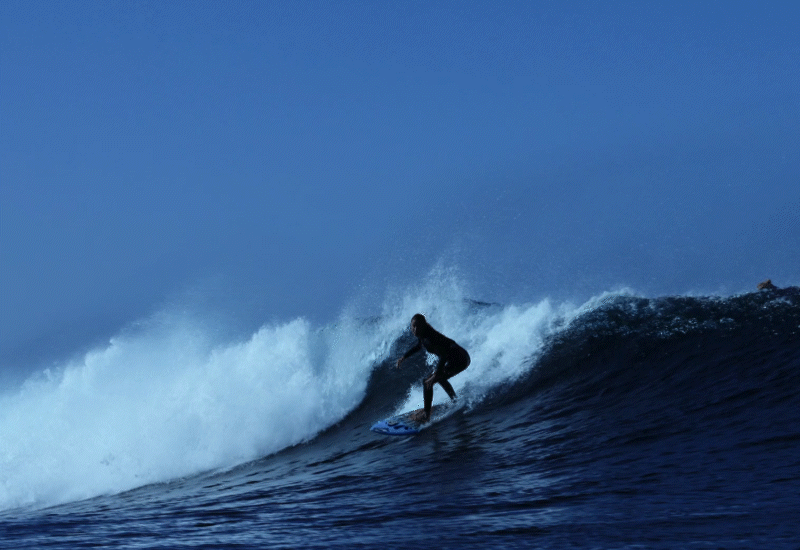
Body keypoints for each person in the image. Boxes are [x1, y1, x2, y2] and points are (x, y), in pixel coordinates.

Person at [396, 313, 470, 422]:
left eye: (418, 326)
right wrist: (404, 357)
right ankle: (454, 400)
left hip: (461, 359)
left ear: (423, 325)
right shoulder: (423, 335)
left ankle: (426, 415)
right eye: (413, 327)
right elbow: (418, 346)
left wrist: (436, 374)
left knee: (428, 382)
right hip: (456, 358)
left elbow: (444, 355)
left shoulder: (430, 338)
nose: (415, 329)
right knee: (437, 378)